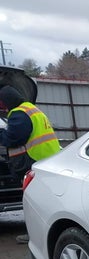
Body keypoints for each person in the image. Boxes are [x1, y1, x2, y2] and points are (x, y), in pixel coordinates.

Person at [0, 85, 61, 243]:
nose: (3, 107)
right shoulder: (32, 110)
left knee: (33, 202)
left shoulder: (19, 114)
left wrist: (1, 133)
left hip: (32, 162)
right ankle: (48, 233)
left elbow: (13, 138)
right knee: (46, 200)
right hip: (46, 160)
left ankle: (35, 235)